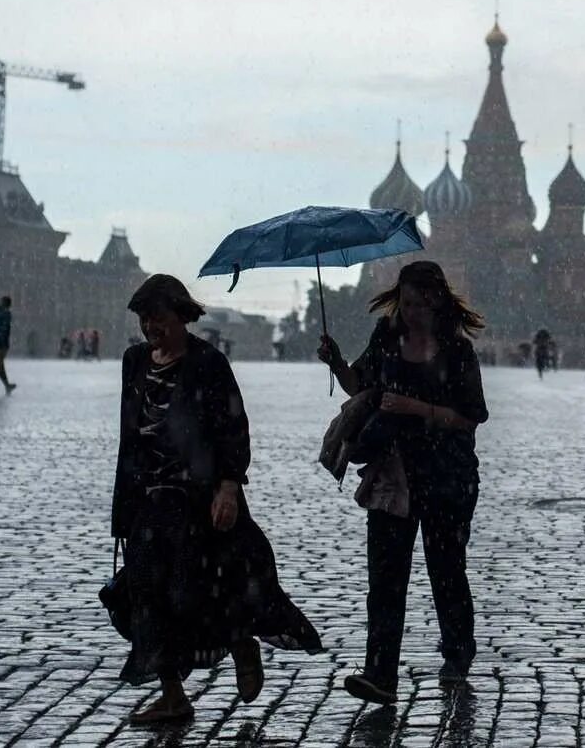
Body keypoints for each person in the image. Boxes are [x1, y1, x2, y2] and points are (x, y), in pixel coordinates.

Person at [105, 274, 321, 725]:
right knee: (148, 598)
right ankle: (172, 694)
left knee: (196, 590)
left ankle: (242, 642)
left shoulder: (207, 363)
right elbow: (130, 435)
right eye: (145, 319)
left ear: (181, 315)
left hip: (196, 501)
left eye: (159, 317)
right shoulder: (135, 362)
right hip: (147, 502)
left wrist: (229, 486)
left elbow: (232, 427)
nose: (151, 327)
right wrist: (124, 505)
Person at [318, 261, 489, 705]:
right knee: (386, 579)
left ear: (437, 300)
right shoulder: (387, 340)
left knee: (446, 572)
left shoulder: (457, 351)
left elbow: (469, 418)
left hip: (447, 478)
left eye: (420, 302)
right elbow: (362, 385)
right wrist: (336, 361)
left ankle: (457, 653)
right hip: (393, 476)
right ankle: (380, 673)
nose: (411, 311)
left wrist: (418, 408)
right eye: (406, 301)